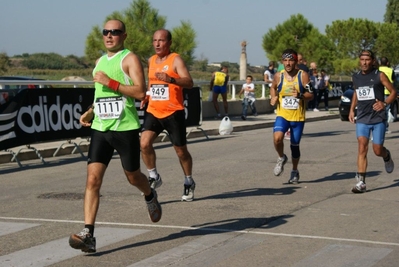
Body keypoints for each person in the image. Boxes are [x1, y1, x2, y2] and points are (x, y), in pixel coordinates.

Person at [69, 19, 162, 253]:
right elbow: (102, 93)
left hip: (125, 128)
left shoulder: (129, 59)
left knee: (133, 177)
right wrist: (90, 111)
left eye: (115, 32)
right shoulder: (100, 61)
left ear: (124, 36)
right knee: (92, 180)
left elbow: (141, 92)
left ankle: (149, 194)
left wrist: (109, 81)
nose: (109, 36)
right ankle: (88, 233)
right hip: (101, 127)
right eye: (106, 32)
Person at [140, 29, 196, 202]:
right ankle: (154, 175)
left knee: (181, 151)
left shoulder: (176, 60)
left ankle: (188, 181)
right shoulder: (151, 60)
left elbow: (189, 82)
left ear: (169, 43)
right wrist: (147, 96)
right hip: (154, 110)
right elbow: (152, 82)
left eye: (161, 41)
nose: (157, 44)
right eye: (155, 40)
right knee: (144, 143)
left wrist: (171, 79)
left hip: (173, 112)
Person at [348, 50, 395, 193]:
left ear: (373, 61)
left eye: (367, 59)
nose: (364, 62)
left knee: (377, 150)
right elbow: (356, 92)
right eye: (362, 59)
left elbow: (393, 92)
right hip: (362, 117)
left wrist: (384, 103)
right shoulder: (356, 76)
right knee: (362, 147)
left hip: (377, 118)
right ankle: (361, 182)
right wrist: (351, 109)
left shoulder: (379, 75)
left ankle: (386, 156)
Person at [270, 48, 314, 184]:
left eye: (290, 60)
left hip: (297, 117)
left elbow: (311, 95)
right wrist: (273, 97)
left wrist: (300, 95)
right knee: (277, 138)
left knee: (294, 145)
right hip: (282, 114)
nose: (288, 63)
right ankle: (281, 157)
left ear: (295, 61)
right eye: (285, 60)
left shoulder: (303, 75)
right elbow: (273, 87)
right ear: (282, 61)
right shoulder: (279, 75)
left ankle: (294, 171)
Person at [378, 56, 395, 133]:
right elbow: (393, 81)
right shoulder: (391, 70)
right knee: (386, 110)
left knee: (378, 110)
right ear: (387, 63)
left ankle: (379, 126)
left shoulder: (377, 70)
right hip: (388, 93)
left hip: (378, 92)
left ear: (380, 63)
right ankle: (384, 127)